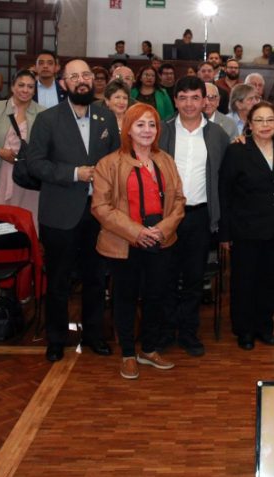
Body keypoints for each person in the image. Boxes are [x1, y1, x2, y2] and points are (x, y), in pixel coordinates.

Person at [26, 58, 121, 362]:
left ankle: (93, 335)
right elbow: (36, 164)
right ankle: (56, 338)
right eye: (74, 76)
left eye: (86, 75)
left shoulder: (105, 117)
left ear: (93, 81)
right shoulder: (47, 119)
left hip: (98, 213)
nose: (81, 80)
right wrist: (73, 173)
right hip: (60, 213)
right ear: (63, 83)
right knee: (58, 281)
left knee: (96, 278)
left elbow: (117, 159)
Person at [92, 103, 184, 379]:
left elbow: (179, 201)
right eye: (140, 124)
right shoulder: (109, 163)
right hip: (124, 243)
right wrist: (137, 232)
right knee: (125, 298)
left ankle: (150, 348)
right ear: (128, 129)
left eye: (152, 124)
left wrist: (162, 229)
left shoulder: (165, 160)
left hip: (160, 240)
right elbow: (100, 207)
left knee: (156, 296)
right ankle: (129, 353)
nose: (147, 130)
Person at [158, 77, 230, 356]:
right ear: (175, 101)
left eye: (195, 98)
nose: (189, 104)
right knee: (164, 276)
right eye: (183, 97)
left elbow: (224, 177)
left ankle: (188, 332)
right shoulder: (161, 131)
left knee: (193, 278)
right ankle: (165, 331)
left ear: (205, 101)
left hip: (200, 216)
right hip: (165, 216)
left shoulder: (217, 135)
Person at [220, 101, 274, 350]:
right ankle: (244, 330)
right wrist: (225, 233)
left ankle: (265, 325)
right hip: (246, 230)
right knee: (244, 281)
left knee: (272, 281)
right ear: (249, 125)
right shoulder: (237, 151)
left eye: (270, 120)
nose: (265, 125)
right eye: (259, 120)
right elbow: (225, 193)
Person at [0, 69, 44, 229]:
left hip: (28, 176)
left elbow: (46, 146)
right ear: (13, 87)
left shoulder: (42, 113)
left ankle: (26, 253)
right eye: (21, 85)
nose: (25, 90)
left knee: (26, 220)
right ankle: (0, 254)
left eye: (30, 87)